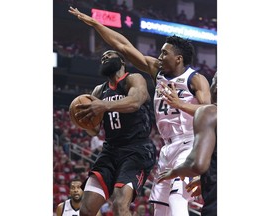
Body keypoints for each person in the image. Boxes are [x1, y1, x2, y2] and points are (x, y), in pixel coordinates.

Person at [68, 7, 211, 216]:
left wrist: (180, 104)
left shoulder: (195, 79)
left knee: (176, 198)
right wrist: (96, 24)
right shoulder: (157, 71)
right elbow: (123, 46)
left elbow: (209, 112)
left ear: (178, 58)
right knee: (159, 206)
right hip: (167, 148)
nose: (159, 56)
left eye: (164, 53)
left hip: (189, 143)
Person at [69, 48, 156, 216]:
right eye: (102, 57)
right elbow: (94, 131)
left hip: (136, 149)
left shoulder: (133, 79)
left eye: (109, 55)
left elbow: (135, 102)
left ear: (121, 61)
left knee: (119, 204)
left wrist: (104, 105)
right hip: (110, 150)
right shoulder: (98, 91)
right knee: (86, 210)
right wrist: (83, 121)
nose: (105, 57)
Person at [158, 72, 217, 216]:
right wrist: (204, 179)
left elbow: (198, 164)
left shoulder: (209, 112)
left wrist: (175, 171)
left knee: (175, 199)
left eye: (213, 82)